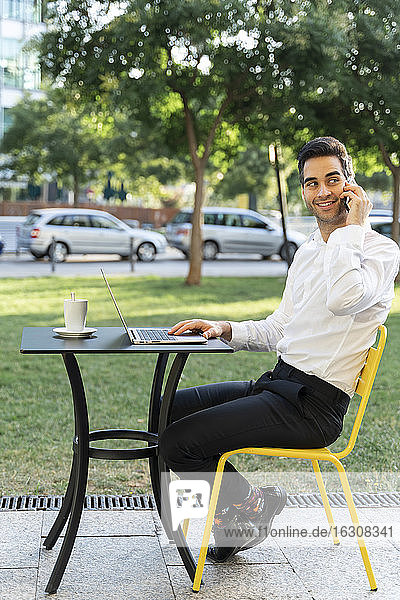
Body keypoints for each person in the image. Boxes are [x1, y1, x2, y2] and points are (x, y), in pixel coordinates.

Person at [159, 136, 400, 562]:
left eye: (332, 179)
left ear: (351, 184)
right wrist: (222, 327)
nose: (322, 192)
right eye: (311, 183)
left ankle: (244, 510)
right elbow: (280, 327)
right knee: (168, 409)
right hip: (278, 384)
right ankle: (247, 507)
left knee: (177, 443)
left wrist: (352, 230)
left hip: (314, 406)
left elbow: (343, 299)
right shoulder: (308, 250)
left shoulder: (379, 250)